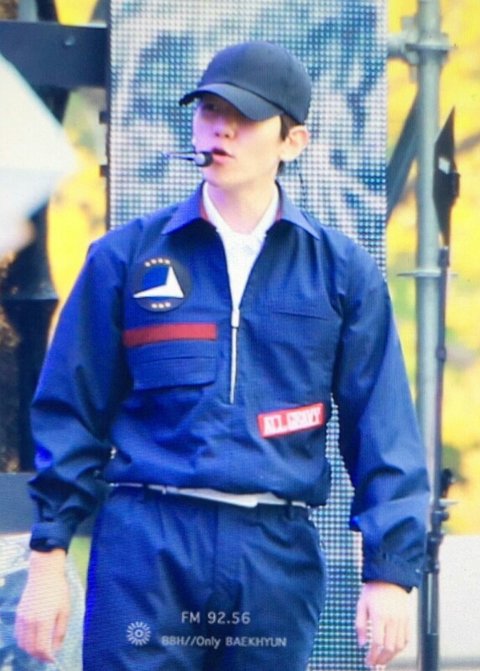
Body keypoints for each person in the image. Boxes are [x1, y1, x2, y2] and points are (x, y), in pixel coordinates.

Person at [15, 41, 429, 671]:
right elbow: (70, 410)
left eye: (246, 116)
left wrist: (390, 573)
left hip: (274, 556)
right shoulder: (123, 259)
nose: (221, 128)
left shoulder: (343, 272)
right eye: (210, 110)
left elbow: (385, 426)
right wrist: (48, 557)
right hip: (146, 549)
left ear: (293, 142)